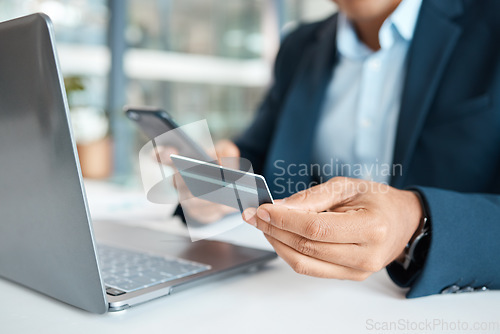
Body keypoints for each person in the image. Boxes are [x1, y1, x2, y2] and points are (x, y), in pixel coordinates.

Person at [174, 0, 500, 298]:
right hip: (290, 293)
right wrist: (214, 187)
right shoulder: (299, 45)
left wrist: (416, 221)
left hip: (429, 306)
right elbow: (258, 155)